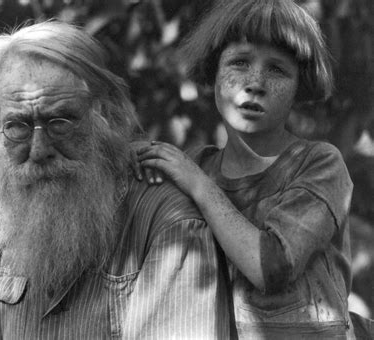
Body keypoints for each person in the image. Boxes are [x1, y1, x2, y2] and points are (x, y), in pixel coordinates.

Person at [0, 20, 228, 339]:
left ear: (104, 114)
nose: (38, 150)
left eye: (60, 122)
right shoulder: (14, 220)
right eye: (18, 126)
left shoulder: (167, 222)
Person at [137, 0, 356, 338]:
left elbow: (271, 266)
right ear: (213, 72)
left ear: (301, 85)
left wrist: (199, 186)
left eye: (277, 69)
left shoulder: (319, 163)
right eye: (239, 62)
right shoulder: (195, 165)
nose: (255, 82)